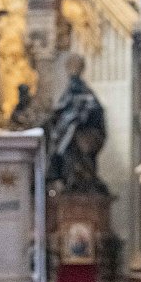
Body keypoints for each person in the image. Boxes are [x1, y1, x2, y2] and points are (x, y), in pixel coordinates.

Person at [45, 54, 108, 194]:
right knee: (56, 140)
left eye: (75, 67)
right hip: (68, 130)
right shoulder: (70, 90)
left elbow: (94, 110)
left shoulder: (83, 90)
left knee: (65, 146)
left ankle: (67, 178)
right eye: (70, 67)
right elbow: (63, 109)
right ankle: (61, 178)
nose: (72, 71)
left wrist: (79, 118)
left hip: (82, 131)